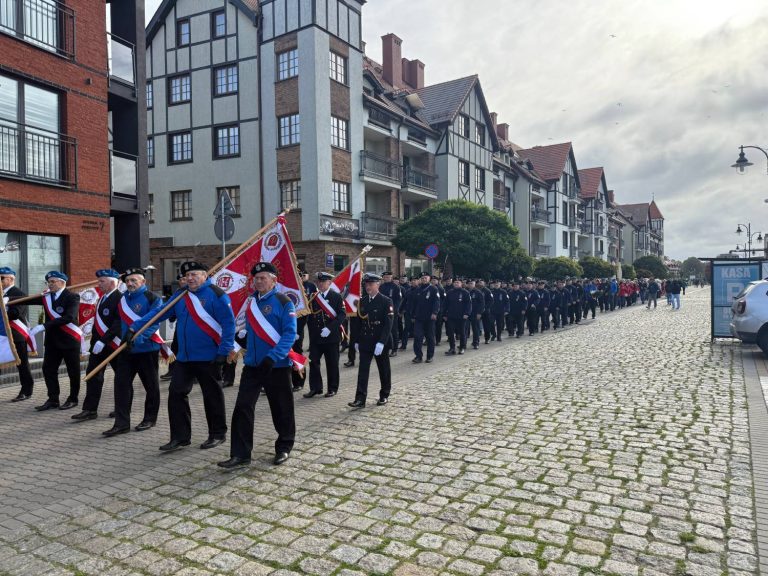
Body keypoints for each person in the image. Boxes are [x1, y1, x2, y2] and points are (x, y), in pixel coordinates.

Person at [131, 261, 235, 452]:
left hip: (209, 356)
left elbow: (229, 324)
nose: (190, 278)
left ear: (205, 275)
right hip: (185, 357)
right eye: (187, 276)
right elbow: (158, 314)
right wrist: (135, 327)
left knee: (212, 395)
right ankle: (180, 437)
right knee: (176, 393)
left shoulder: (216, 295)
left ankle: (217, 434)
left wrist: (223, 351)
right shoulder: (181, 295)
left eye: (195, 274)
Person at [218, 262, 297, 468]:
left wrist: (273, 356)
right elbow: (250, 330)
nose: (259, 281)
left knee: (281, 409)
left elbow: (289, 334)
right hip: (252, 365)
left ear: (274, 281)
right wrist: (242, 339)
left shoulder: (284, 302)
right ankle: (241, 454)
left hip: (276, 365)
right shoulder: (251, 301)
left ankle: (284, 447)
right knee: (243, 407)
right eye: (256, 278)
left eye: (263, 278)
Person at [103, 268, 164, 437]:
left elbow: (153, 323)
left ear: (143, 282)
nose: (130, 283)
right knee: (121, 386)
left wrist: (137, 339)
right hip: (125, 350)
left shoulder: (153, 298)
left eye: (134, 280)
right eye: (127, 281)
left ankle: (150, 418)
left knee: (151, 386)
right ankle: (121, 423)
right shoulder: (122, 299)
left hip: (146, 349)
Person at [71, 269, 123, 421]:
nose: (99, 284)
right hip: (98, 345)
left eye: (102, 281)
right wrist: (95, 342)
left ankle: (121, 407)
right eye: (99, 281)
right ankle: (90, 410)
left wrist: (104, 340)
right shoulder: (102, 298)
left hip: (114, 344)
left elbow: (118, 323)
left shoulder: (120, 298)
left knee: (121, 378)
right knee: (93, 376)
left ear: (113, 282)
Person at [29, 271, 81, 411]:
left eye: (53, 282)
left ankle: (73, 399)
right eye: (48, 282)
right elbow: (28, 300)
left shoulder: (72, 297)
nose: (50, 284)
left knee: (73, 371)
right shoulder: (47, 297)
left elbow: (69, 317)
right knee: (48, 369)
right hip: (52, 342)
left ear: (62, 282)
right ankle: (53, 399)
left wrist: (43, 326)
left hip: (69, 340)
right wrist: (7, 298)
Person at [348, 273, 394, 408]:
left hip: (380, 340)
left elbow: (388, 324)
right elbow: (356, 323)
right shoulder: (362, 301)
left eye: (371, 284)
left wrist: (382, 342)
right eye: (366, 284)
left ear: (378, 285)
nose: (368, 286)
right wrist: (355, 340)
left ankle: (384, 395)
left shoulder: (386, 301)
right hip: (366, 340)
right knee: (363, 370)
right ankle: (360, 398)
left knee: (383, 369)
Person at [304, 271, 346, 398]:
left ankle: (332, 388)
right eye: (318, 282)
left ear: (329, 282)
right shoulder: (313, 296)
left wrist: (330, 328)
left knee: (332, 363)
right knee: (313, 361)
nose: (320, 284)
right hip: (316, 337)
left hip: (331, 336)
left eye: (323, 282)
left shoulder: (336, 297)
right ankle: (316, 388)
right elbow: (309, 316)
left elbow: (342, 315)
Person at [1, 267, 35, 402]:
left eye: (1, 278)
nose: (0, 280)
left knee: (22, 364)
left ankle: (26, 391)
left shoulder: (19, 293)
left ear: (10, 279)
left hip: (16, 334)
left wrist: (2, 313)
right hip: (1, 335)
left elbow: (16, 313)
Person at [291, 271, 316, 391]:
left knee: (296, 353)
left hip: (296, 330)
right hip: (284, 330)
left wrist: (298, 331)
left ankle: (299, 381)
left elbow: (304, 313)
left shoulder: (301, 292)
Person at [412, 272, 440, 363]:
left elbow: (436, 302)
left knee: (430, 337)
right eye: (422, 278)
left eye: (425, 278)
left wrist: (434, 313)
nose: (424, 279)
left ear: (429, 279)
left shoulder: (433, 289)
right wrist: (413, 315)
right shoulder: (417, 290)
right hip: (419, 317)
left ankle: (430, 356)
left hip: (429, 318)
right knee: (417, 336)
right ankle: (418, 356)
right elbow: (414, 304)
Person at [442, 278, 470, 355]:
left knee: (462, 332)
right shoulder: (449, 292)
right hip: (451, 316)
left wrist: (467, 313)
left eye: (458, 282)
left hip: (462, 316)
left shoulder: (465, 292)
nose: (456, 284)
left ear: (461, 284)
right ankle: (452, 348)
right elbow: (445, 304)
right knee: (450, 333)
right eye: (455, 282)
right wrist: (444, 314)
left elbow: (468, 304)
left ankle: (462, 347)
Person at [379, 271, 401, 357]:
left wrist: (394, 310)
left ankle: (394, 349)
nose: (387, 278)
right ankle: (385, 348)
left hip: (392, 313)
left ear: (391, 277)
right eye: (385, 277)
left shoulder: (396, 287)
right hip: (382, 312)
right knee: (383, 331)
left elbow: (398, 300)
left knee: (393, 330)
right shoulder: (381, 287)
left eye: (388, 277)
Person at [466, 279, 485, 349]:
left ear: (474, 284)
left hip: (475, 313)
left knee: (475, 329)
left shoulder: (478, 292)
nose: (470, 285)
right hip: (467, 313)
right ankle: (463, 343)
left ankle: (476, 342)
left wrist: (479, 313)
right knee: (465, 329)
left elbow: (482, 304)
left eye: (472, 283)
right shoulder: (466, 292)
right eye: (469, 283)